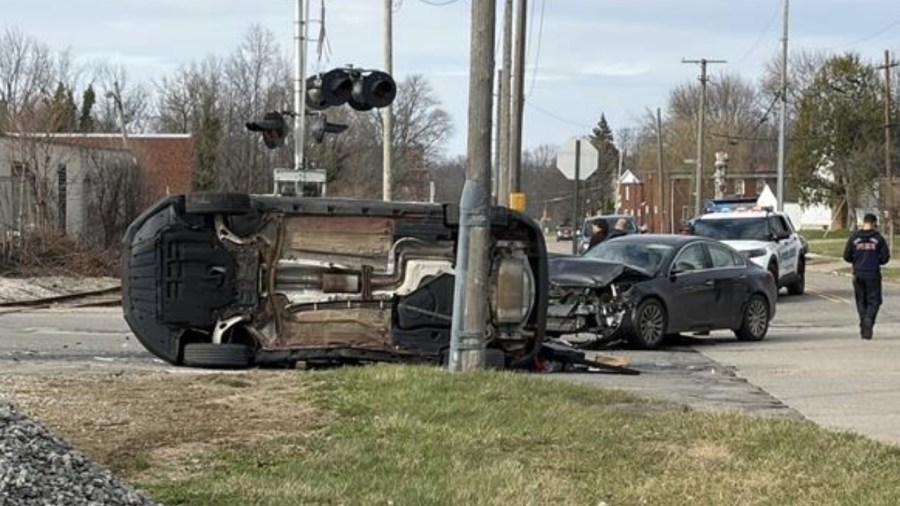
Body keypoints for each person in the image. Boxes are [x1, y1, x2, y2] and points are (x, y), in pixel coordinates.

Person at [843, 213, 890, 339]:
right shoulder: (878, 238)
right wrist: (875, 259)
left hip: (858, 273)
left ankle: (865, 326)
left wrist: (856, 260)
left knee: (861, 301)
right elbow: (885, 258)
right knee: (874, 301)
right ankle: (868, 320)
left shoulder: (854, 238)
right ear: (874, 223)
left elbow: (846, 256)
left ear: (864, 223)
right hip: (873, 273)